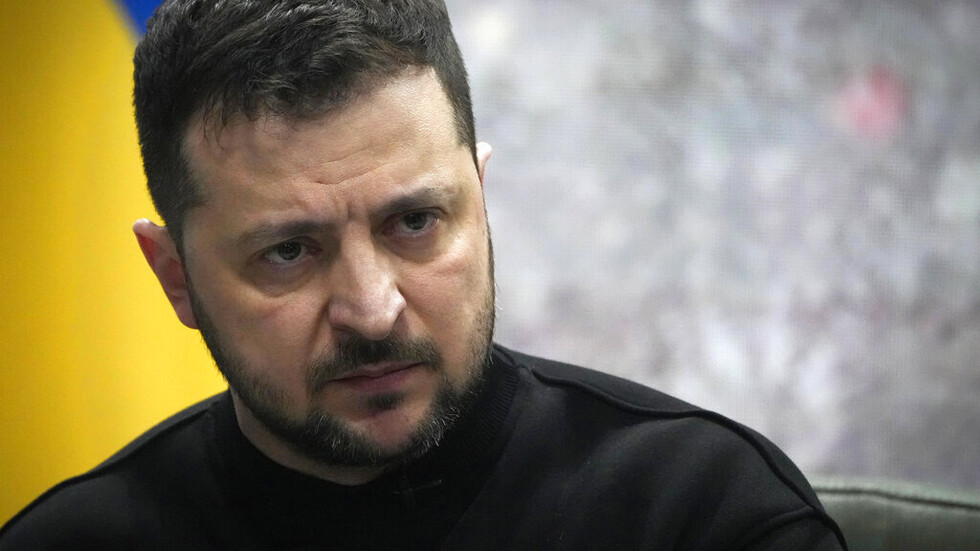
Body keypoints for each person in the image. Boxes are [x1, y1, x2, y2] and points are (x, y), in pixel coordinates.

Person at [0, 1, 846, 549]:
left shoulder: (703, 515)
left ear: (481, 197)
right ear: (175, 277)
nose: (373, 310)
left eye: (414, 223)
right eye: (288, 251)